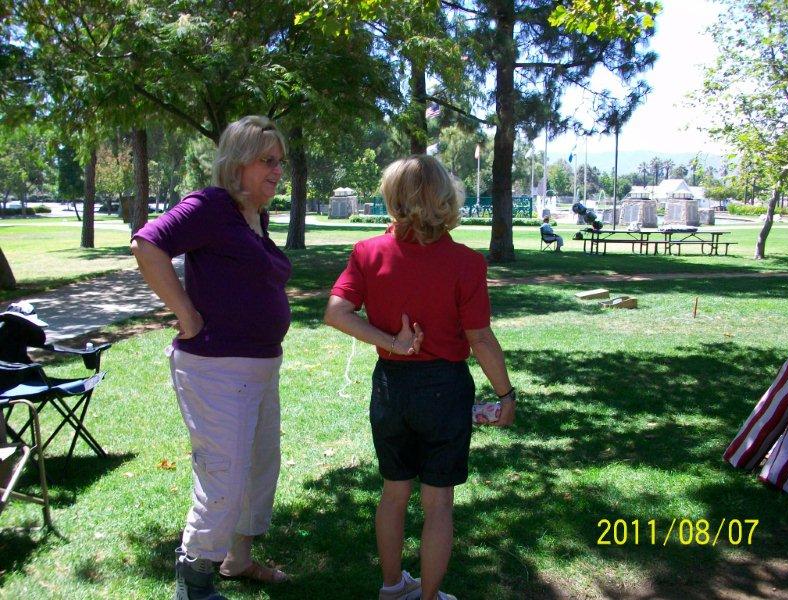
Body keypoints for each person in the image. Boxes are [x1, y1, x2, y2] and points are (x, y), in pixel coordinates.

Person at [324, 155, 516, 600]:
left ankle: (392, 587)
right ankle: (428, 597)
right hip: (444, 388)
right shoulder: (466, 263)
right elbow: (480, 339)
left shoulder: (368, 253)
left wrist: (392, 342)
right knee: (438, 504)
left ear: (393, 199)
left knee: (394, 494)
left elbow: (336, 314)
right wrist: (505, 393)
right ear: (447, 200)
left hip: (390, 386)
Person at [131, 116, 291, 600]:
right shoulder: (210, 205)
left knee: (259, 467)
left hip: (260, 367)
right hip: (215, 369)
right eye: (267, 160)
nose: (276, 171)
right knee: (223, 473)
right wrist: (186, 314)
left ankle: (236, 559)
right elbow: (147, 243)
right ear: (237, 162)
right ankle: (194, 582)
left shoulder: (254, 216)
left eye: (280, 162)